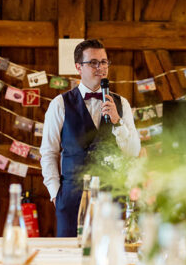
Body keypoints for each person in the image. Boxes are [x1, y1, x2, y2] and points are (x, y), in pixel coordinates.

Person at [40, 39, 140, 237]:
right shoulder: (59, 104)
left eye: (104, 62)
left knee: (111, 258)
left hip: (113, 198)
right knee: (69, 259)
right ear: (79, 67)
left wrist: (117, 121)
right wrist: (55, 194)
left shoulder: (122, 104)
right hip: (71, 199)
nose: (100, 68)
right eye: (93, 62)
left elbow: (134, 151)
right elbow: (48, 152)